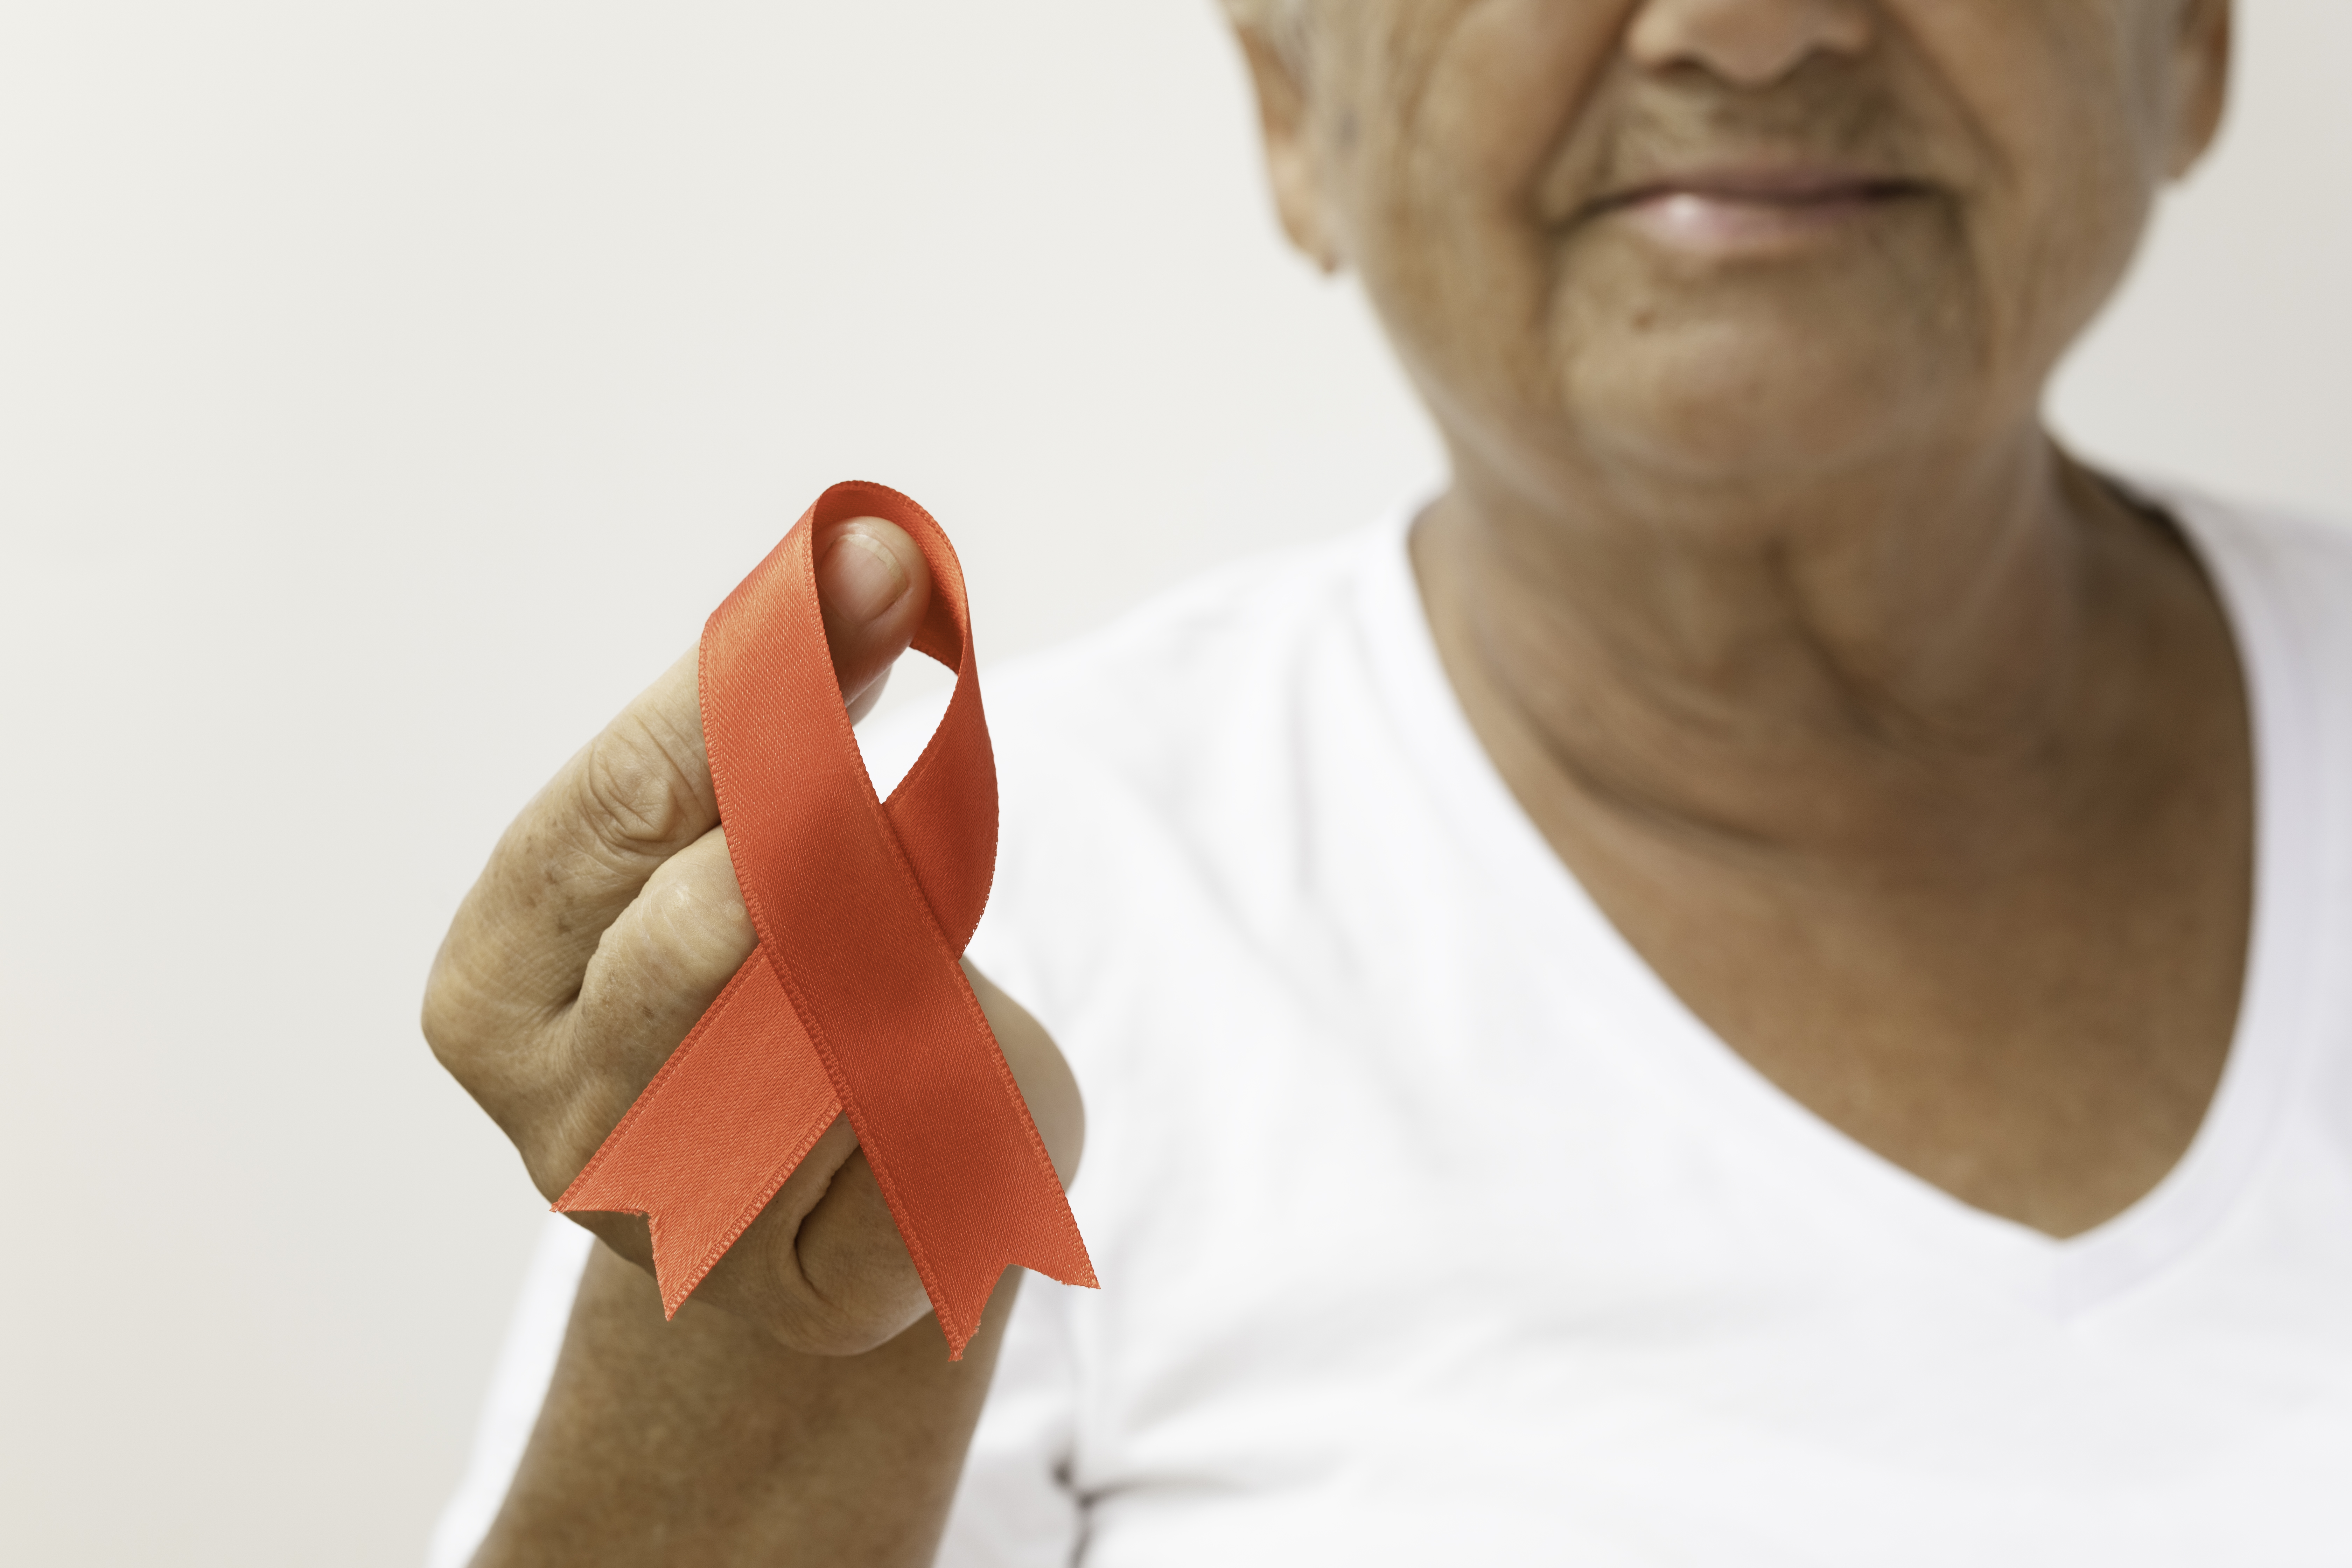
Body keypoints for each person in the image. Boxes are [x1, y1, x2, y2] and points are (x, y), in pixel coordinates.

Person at [423, 0, 2352, 1562]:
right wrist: (787, 1344)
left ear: (2190, 42)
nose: (1752, 34)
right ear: (1290, 98)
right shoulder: (987, 948)